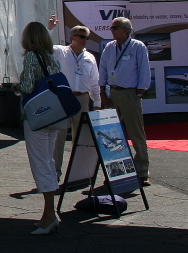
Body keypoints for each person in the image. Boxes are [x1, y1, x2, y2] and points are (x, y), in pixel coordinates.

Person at [19, 21, 63, 235]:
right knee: (49, 160)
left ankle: (49, 215)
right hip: (53, 114)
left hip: (36, 116)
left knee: (40, 163)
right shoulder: (51, 57)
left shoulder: (30, 57)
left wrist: (17, 87)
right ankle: (49, 214)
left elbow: (27, 86)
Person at [99, 17, 152, 185]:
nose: (112, 31)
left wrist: (140, 90)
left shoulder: (138, 46)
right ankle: (116, 171)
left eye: (116, 28)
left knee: (135, 132)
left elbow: (144, 69)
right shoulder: (109, 47)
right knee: (112, 134)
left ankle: (142, 171)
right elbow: (103, 68)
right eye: (112, 28)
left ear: (126, 30)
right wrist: (102, 90)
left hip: (130, 93)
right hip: (112, 92)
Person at [47, 18, 101, 173]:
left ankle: (79, 171)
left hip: (82, 98)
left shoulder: (90, 57)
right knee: (59, 135)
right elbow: (43, 48)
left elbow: (94, 80)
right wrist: (49, 28)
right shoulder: (60, 51)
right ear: (72, 37)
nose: (85, 40)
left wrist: (96, 102)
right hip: (63, 97)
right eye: (82, 36)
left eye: (87, 37)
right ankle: (55, 171)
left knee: (81, 136)